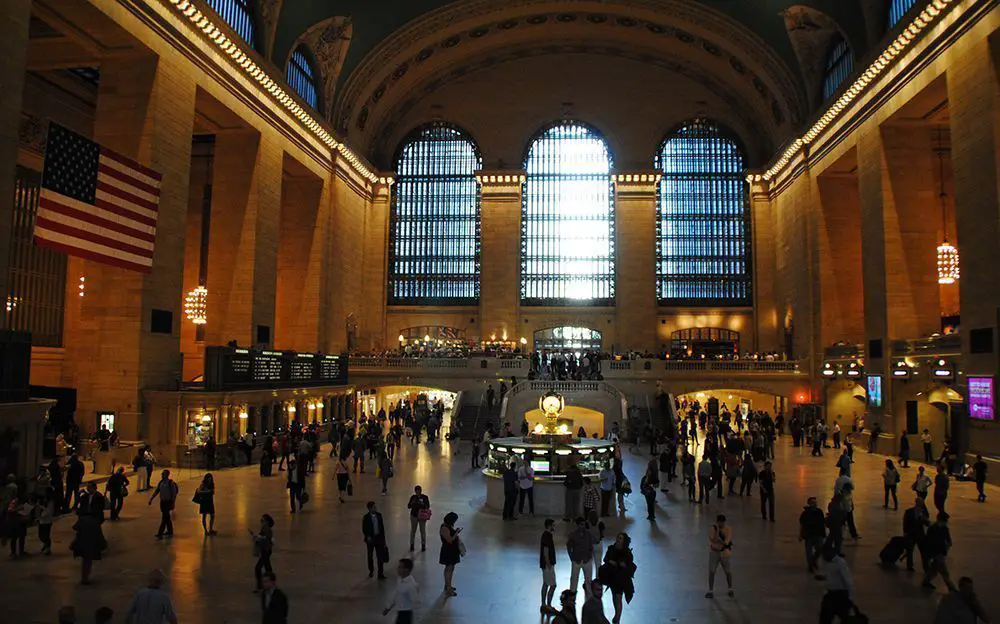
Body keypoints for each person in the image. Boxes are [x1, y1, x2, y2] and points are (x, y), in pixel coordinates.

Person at [601, 532, 636, 623]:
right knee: (614, 596)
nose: (618, 540)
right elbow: (605, 559)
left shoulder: (627, 552)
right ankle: (617, 613)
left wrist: (624, 565)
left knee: (618, 596)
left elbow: (630, 565)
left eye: (620, 538)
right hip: (612, 576)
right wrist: (610, 561)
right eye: (617, 537)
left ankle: (617, 617)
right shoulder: (611, 549)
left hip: (621, 577)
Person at [819, 546, 856, 623]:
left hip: (840, 595)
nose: (823, 557)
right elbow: (833, 576)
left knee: (845, 619)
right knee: (825, 618)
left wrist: (850, 597)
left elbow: (848, 580)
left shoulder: (840, 563)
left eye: (824, 555)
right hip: (831, 593)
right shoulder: (830, 562)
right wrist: (824, 577)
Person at [922, 512, 955, 591]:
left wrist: (948, 544)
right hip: (936, 553)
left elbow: (948, 540)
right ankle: (950, 587)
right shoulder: (933, 529)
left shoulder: (943, 528)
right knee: (944, 572)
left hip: (940, 553)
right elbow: (930, 543)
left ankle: (926, 582)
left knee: (934, 570)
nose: (946, 522)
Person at [70, 511, 105, 584]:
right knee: (88, 561)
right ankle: (85, 578)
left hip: (82, 542)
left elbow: (75, 527)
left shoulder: (83, 520)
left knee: (85, 561)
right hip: (91, 544)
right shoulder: (96, 522)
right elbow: (100, 535)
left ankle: (84, 578)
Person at [567, 516, 596, 598]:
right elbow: (569, 547)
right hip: (576, 560)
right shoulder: (572, 535)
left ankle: (589, 599)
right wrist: (571, 558)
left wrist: (590, 556)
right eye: (581, 524)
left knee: (588, 581)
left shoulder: (588, 534)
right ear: (577, 525)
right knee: (574, 580)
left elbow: (591, 546)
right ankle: (572, 598)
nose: (582, 526)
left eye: (583, 524)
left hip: (587, 560)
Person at [706, 514, 734, 598]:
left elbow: (725, 542)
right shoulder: (713, 529)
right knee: (712, 571)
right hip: (714, 552)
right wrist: (717, 531)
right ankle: (710, 590)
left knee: (728, 571)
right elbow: (713, 539)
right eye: (720, 523)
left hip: (724, 553)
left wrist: (719, 540)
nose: (721, 524)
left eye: (723, 522)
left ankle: (730, 588)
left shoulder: (728, 529)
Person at [383, 558, 419, 624]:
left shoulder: (410, 585)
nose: (398, 569)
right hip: (400, 612)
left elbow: (415, 600)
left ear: (406, 569)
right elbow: (396, 594)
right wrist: (388, 607)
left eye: (400, 567)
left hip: (406, 614)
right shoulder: (400, 579)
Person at [799, 496, 826, 576]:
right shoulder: (805, 514)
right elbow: (802, 524)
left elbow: (822, 523)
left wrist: (823, 534)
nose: (815, 504)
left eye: (815, 502)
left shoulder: (819, 512)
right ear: (809, 504)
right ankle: (810, 566)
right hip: (809, 535)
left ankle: (813, 561)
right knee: (808, 552)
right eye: (813, 503)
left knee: (819, 550)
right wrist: (801, 534)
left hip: (818, 535)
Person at [148, 469, 179, 540]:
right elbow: (156, 491)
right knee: (166, 517)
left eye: (163, 474)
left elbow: (174, 494)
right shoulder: (161, 482)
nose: (162, 475)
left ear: (167, 475)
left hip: (168, 502)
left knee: (165, 517)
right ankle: (170, 531)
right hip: (162, 502)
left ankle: (160, 532)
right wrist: (151, 499)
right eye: (162, 474)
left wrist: (173, 503)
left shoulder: (170, 483)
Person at [903, 496, 930, 572]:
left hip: (920, 534)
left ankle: (926, 567)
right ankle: (910, 566)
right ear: (916, 503)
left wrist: (924, 519)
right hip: (911, 533)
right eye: (918, 502)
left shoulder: (924, 512)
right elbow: (905, 523)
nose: (919, 504)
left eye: (921, 503)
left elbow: (927, 523)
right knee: (909, 551)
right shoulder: (909, 512)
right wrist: (905, 532)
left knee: (923, 552)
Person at [362, 501, 389, 579]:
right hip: (370, 540)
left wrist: (384, 540)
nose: (375, 508)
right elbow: (364, 528)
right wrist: (368, 536)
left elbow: (382, 528)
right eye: (374, 507)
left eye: (375, 507)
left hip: (379, 538)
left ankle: (380, 573)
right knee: (370, 556)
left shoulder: (379, 515)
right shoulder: (366, 517)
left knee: (380, 556)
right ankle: (371, 570)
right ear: (369, 509)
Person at [439, 512, 462, 597]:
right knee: (449, 568)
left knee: (451, 568)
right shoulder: (444, 528)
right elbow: (449, 540)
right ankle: (447, 588)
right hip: (448, 551)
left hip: (452, 550)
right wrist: (456, 533)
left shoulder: (449, 526)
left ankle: (448, 585)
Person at [251, 514, 275, 592]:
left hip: (266, 551)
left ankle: (260, 585)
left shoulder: (268, 530)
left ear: (267, 522)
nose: (261, 522)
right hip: (265, 551)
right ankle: (270, 584)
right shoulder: (264, 529)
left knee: (258, 568)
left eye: (263, 520)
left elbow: (266, 540)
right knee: (267, 567)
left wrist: (258, 538)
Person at [540, 518, 557, 611]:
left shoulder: (546, 535)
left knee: (546, 584)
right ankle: (548, 605)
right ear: (550, 526)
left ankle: (543, 605)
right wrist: (549, 564)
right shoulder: (547, 536)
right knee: (553, 585)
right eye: (553, 525)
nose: (554, 527)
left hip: (545, 564)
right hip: (548, 565)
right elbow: (546, 551)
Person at [407, 485, 430, 552]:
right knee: (413, 531)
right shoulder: (413, 497)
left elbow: (427, 506)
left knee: (422, 531)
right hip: (414, 516)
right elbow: (408, 506)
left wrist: (422, 504)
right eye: (417, 492)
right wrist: (413, 503)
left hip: (422, 516)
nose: (418, 493)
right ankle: (412, 544)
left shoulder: (425, 497)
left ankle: (423, 545)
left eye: (419, 491)